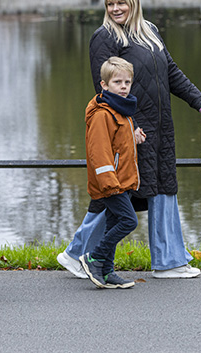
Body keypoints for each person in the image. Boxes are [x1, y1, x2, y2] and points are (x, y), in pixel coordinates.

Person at [58, 0, 201, 279]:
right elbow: (104, 89)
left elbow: (172, 73)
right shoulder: (105, 38)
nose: (116, 8)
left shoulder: (150, 33)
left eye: (122, 3)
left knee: (162, 189)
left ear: (134, 3)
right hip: (131, 132)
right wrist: (126, 130)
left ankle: (169, 260)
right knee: (119, 193)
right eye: (111, 3)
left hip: (160, 129)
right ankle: (80, 253)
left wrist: (200, 104)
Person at [79, 57, 144, 289]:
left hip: (121, 181)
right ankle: (94, 258)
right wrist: (109, 183)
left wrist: (133, 137)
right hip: (110, 183)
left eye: (127, 81)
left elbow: (118, 145)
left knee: (113, 222)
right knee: (128, 221)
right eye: (118, 82)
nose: (124, 86)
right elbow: (100, 152)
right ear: (104, 85)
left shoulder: (121, 110)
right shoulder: (102, 114)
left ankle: (106, 273)